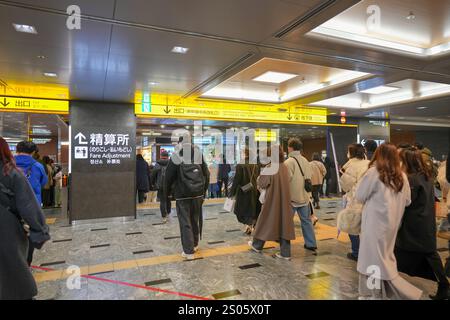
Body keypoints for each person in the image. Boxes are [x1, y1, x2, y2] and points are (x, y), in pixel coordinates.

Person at [355, 143, 422, 300]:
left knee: (372, 260)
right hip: (392, 225)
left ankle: (374, 294)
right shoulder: (402, 176)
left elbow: (360, 195)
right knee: (383, 258)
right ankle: (373, 293)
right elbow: (407, 201)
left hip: (374, 224)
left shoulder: (374, 172)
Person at [395, 147, 449, 300]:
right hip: (424, 221)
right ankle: (444, 286)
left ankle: (392, 286)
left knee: (398, 254)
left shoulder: (411, 179)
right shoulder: (424, 175)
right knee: (429, 253)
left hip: (414, 224)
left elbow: (406, 202)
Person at [0, 137, 50, 300]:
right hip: (17, 218)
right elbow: (43, 183)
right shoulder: (14, 171)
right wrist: (40, 233)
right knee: (16, 274)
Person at [165, 137, 209, 260]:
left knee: (185, 222)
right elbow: (207, 174)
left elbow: (168, 179)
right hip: (198, 195)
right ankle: (194, 245)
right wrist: (203, 192)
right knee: (195, 220)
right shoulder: (198, 156)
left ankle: (188, 251)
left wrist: (167, 195)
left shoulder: (176, 157)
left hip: (182, 195)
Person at [249, 145, 295, 260]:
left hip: (272, 200)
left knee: (264, 221)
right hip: (284, 200)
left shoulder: (270, 167)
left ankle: (257, 245)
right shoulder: (284, 167)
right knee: (284, 225)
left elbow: (262, 183)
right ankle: (285, 253)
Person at [15, 141, 48, 266]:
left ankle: (13, 261)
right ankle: (27, 263)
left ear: (17, 150)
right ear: (33, 152)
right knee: (31, 233)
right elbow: (43, 182)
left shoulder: (7, 164)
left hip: (11, 206)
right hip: (32, 205)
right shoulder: (37, 166)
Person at [285, 138, 317, 253]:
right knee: (307, 221)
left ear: (290, 147)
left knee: (286, 223)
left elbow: (286, 179)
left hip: (292, 198)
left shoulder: (289, 162)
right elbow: (310, 175)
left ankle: (285, 246)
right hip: (305, 197)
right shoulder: (305, 160)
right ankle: (311, 244)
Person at [339, 143, 370, 261]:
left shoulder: (351, 166)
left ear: (351, 153)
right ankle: (367, 252)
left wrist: (342, 174)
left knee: (352, 227)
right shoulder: (369, 163)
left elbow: (346, 186)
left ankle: (356, 252)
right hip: (369, 200)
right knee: (366, 228)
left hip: (356, 200)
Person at [229, 148, 261, 235]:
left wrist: (232, 192)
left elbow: (236, 180)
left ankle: (249, 225)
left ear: (244, 153)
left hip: (243, 191)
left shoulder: (240, 165)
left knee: (240, 210)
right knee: (251, 209)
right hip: (254, 191)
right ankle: (250, 224)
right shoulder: (255, 165)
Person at [151, 151, 171, 223]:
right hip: (169, 185)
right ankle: (168, 213)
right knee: (168, 199)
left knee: (162, 201)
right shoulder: (171, 164)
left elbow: (153, 174)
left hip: (160, 185)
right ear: (168, 156)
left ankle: (164, 217)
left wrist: (153, 183)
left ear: (161, 156)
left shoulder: (158, 164)